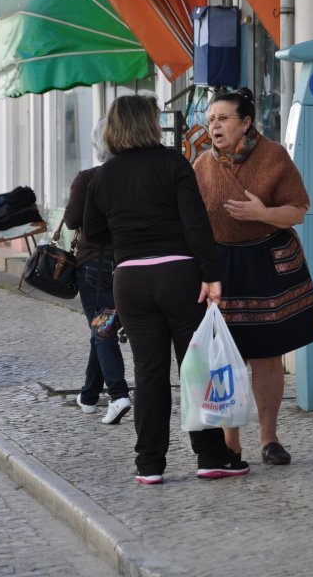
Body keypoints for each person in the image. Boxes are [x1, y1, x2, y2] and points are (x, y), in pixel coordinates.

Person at [83, 94, 250, 485]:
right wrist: (212, 276)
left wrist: (127, 232)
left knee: (149, 372)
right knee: (194, 368)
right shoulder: (173, 163)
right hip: (179, 276)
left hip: (131, 280)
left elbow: (92, 232)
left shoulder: (102, 176)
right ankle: (210, 456)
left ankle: (150, 465)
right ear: (150, 124)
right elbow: (196, 224)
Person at [194, 87, 313, 466]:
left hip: (267, 260)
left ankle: (270, 438)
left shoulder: (273, 156)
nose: (214, 126)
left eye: (223, 118)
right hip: (221, 267)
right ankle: (230, 441)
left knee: (267, 355)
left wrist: (262, 213)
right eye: (211, 119)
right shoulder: (201, 164)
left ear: (246, 122)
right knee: (224, 357)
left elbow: (298, 211)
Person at [64, 118, 131, 425]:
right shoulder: (133, 178)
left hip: (94, 265)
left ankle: (118, 395)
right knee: (101, 325)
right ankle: (89, 395)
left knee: (102, 328)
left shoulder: (88, 177)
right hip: (128, 264)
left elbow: (71, 219)